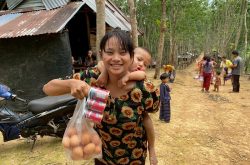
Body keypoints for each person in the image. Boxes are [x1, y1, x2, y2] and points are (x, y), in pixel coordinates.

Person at [43, 29, 160, 165]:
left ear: (131, 56)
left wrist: (152, 150)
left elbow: (148, 119)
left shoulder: (145, 90)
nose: (116, 58)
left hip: (134, 158)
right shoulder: (93, 78)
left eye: (122, 52)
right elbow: (47, 88)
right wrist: (71, 83)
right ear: (101, 55)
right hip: (103, 157)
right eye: (109, 52)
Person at [95, 46, 158, 165]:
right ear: (128, 57)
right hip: (105, 148)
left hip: (133, 152)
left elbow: (142, 75)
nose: (141, 65)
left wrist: (128, 76)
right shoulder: (110, 71)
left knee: (146, 118)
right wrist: (104, 73)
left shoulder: (140, 83)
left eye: (145, 64)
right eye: (139, 59)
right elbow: (100, 63)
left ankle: (151, 148)